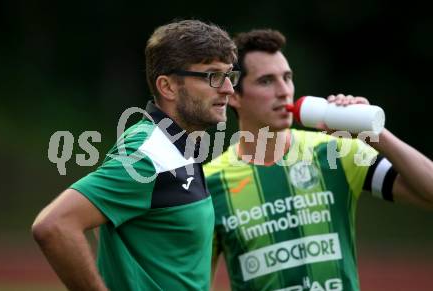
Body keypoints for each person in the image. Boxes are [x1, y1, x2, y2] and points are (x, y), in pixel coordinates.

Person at [204, 29, 433, 291]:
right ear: (233, 94)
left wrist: (376, 135)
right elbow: (197, 283)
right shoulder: (210, 184)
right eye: (267, 81)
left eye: (287, 78)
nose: (284, 91)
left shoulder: (336, 153)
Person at [32, 19, 239, 291]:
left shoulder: (180, 144)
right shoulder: (149, 153)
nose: (228, 89)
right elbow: (54, 225)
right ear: (167, 87)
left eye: (229, 76)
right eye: (213, 76)